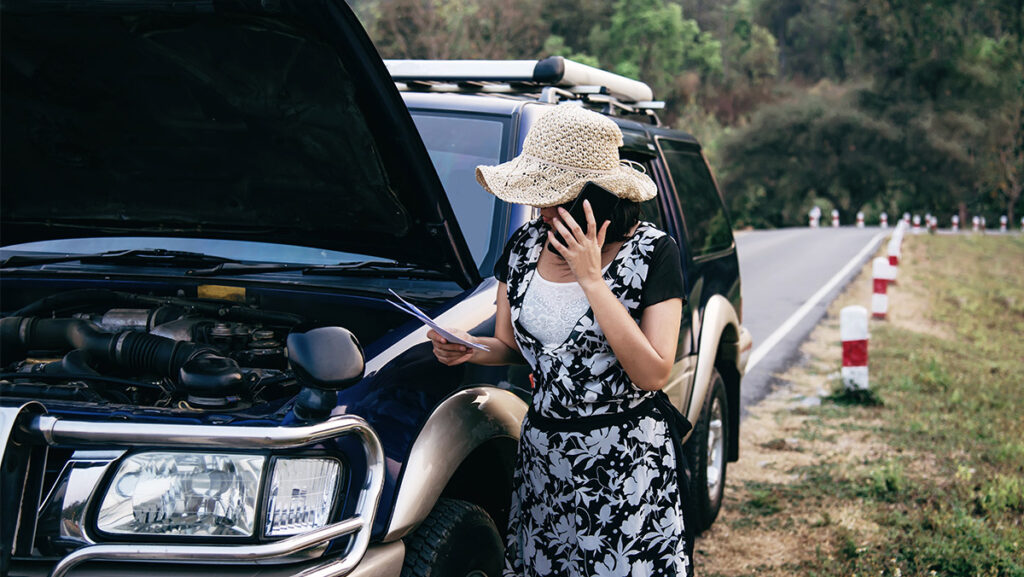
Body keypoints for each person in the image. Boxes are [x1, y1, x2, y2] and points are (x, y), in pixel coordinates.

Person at [427, 103, 691, 577]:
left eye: (554, 197)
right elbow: (508, 344)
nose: (542, 210)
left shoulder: (653, 253)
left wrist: (593, 280)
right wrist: (470, 345)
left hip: (625, 464)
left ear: (597, 197)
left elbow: (653, 373)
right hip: (545, 459)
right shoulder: (525, 247)